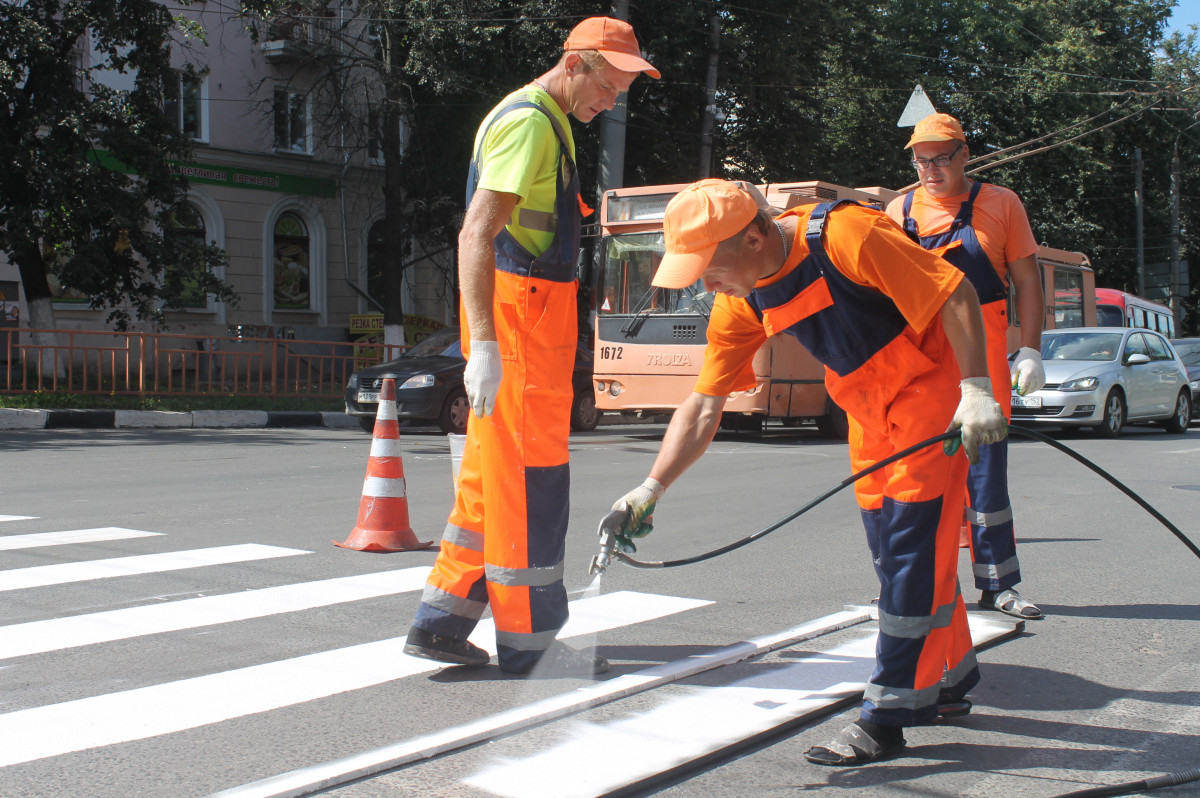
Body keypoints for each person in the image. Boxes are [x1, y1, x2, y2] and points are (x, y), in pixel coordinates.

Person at [608, 178, 1006, 765]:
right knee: (896, 552)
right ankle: (947, 678)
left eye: (706, 264)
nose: (700, 281)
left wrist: (975, 389)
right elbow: (704, 406)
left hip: (930, 386)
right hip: (867, 409)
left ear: (754, 236)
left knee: (909, 548)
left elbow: (956, 293)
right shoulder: (739, 301)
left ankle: (887, 715)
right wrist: (649, 488)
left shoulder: (847, 234)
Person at [402, 17, 659, 678]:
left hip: (525, 327)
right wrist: (484, 346)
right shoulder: (532, 124)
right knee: (529, 483)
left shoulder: (544, 120)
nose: (614, 100)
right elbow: (475, 235)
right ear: (576, 63)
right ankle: (529, 640)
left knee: (492, 481)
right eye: (611, 83)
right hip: (521, 332)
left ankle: (443, 619)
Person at [885, 113, 1045, 620]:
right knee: (917, 476)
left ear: (965, 154)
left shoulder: (1002, 203)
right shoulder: (898, 209)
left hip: (985, 362)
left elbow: (1027, 282)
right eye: (921, 159)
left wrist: (1033, 349)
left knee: (986, 477)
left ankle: (999, 585)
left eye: (941, 158)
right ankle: (916, 585)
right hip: (921, 364)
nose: (930, 168)